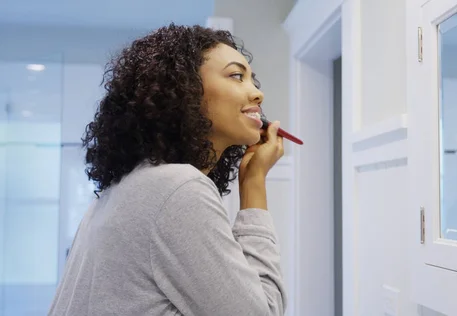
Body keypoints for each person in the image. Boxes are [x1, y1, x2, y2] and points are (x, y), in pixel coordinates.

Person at [48, 24, 287, 316]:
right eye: (237, 76)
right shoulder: (176, 188)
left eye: (253, 79)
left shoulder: (127, 188)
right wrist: (254, 183)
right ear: (183, 89)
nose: (257, 94)